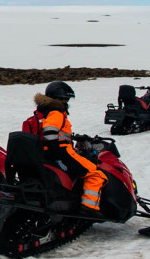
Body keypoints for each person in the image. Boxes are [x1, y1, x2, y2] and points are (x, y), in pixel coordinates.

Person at [26, 81, 107, 215]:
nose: (67, 101)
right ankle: (89, 207)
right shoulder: (56, 113)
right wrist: (59, 156)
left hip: (52, 152)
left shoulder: (45, 111)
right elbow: (50, 134)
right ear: (58, 98)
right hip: (62, 152)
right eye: (65, 99)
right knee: (95, 174)